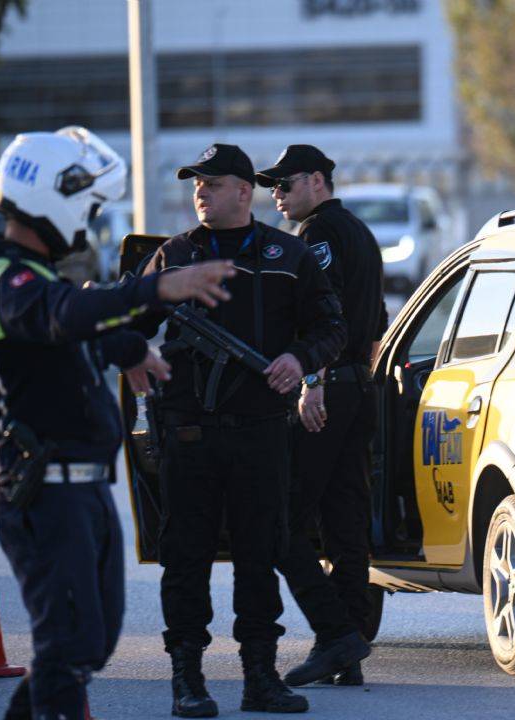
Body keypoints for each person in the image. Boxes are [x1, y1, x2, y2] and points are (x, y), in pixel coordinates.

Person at [0, 126, 236, 720]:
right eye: (84, 207)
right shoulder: (1, 280)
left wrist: (128, 349)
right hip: (40, 491)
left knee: (88, 641)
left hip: (82, 490)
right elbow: (63, 315)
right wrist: (159, 286)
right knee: (66, 645)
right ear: (49, 199)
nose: (86, 223)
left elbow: (72, 329)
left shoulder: (33, 278)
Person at [136, 143, 347, 716]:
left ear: (243, 190)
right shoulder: (173, 256)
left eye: (211, 182)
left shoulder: (287, 254)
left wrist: (299, 361)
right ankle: (188, 678)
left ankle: (260, 675)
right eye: (195, 183)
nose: (199, 191)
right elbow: (128, 321)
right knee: (186, 556)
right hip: (187, 431)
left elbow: (331, 326)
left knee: (259, 553)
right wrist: (136, 361)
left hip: (259, 429)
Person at [255, 145, 387, 688]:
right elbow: (373, 328)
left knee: (283, 517)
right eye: (272, 187)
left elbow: (320, 316)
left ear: (316, 180)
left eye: (284, 185)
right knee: (345, 522)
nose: (276, 195)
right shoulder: (359, 231)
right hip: (357, 386)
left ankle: (335, 635)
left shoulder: (317, 237)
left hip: (326, 389)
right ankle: (347, 650)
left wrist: (314, 383)